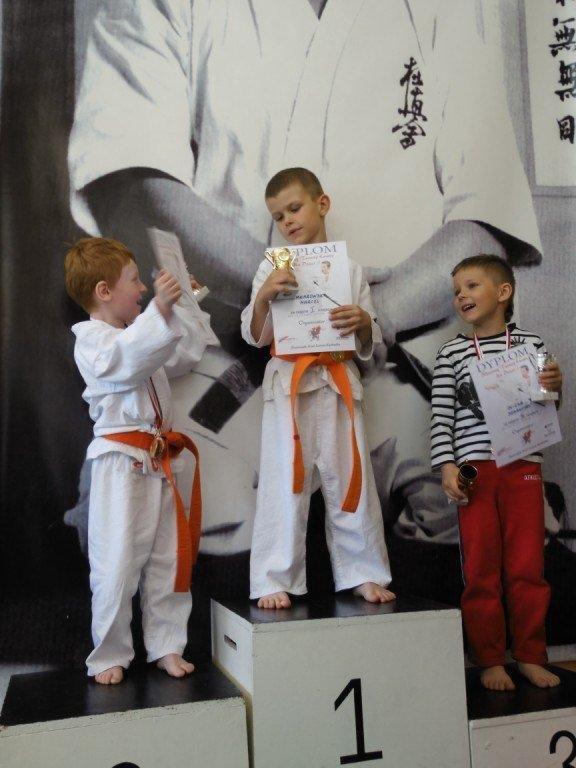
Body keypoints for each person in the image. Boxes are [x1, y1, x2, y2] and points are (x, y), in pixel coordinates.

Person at [68, 0, 544, 563]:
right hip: (234, 350)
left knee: (482, 511)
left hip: (405, 346)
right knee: (163, 515)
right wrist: (292, 303)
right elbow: (134, 180)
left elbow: (486, 213)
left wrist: (372, 316)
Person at [64, 237, 217, 684]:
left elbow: (184, 355)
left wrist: (183, 304)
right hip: (120, 463)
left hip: (161, 459)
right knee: (115, 564)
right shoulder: (92, 341)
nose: (143, 289)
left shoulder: (140, 333)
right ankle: (109, 653)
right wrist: (160, 311)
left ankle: (167, 645)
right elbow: (126, 360)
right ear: (104, 291)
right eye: (134, 281)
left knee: (169, 559)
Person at [241, 168, 394, 609]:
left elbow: (370, 338)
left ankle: (363, 572)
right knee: (283, 483)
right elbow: (255, 335)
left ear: (321, 204)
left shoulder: (350, 270)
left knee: (351, 481)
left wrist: (362, 323)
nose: (288, 220)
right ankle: (274, 577)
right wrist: (264, 297)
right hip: (289, 388)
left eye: (295, 208)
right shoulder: (271, 267)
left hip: (338, 382)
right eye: (278, 216)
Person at [431, 254, 562, 691]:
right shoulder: (451, 353)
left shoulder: (530, 344)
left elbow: (547, 405)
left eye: (472, 286)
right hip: (475, 470)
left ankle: (530, 654)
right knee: (481, 567)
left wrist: (554, 386)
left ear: (503, 292)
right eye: (457, 290)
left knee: (528, 566)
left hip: (523, 465)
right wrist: (447, 466)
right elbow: (441, 418)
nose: (461, 296)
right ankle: (489, 659)